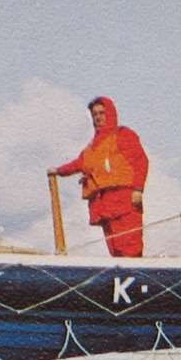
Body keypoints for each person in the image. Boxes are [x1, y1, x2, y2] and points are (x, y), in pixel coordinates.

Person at [50, 96, 149, 257]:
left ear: (110, 113)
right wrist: (58, 171)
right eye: (94, 114)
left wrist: (138, 188)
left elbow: (141, 161)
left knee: (131, 247)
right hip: (103, 205)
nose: (98, 117)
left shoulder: (124, 135)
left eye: (101, 113)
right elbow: (78, 164)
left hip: (124, 200)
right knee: (114, 248)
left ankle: (136, 277)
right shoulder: (92, 146)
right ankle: (120, 276)